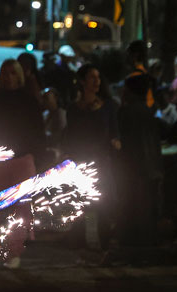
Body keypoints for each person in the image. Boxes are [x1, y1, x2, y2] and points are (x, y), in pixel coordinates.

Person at [64, 64, 120, 248]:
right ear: (82, 82)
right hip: (81, 160)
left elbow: (113, 133)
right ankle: (78, 240)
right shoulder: (74, 109)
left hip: (101, 160)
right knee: (80, 202)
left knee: (103, 204)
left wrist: (115, 143)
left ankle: (104, 240)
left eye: (98, 77)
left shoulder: (108, 106)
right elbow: (72, 135)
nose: (96, 81)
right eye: (92, 77)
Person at [117, 73, 163, 246]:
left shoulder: (126, 112)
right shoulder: (148, 111)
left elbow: (126, 142)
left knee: (132, 207)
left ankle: (132, 245)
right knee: (146, 209)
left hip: (133, 167)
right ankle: (146, 245)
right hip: (150, 167)